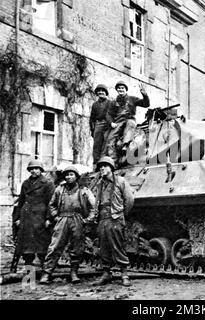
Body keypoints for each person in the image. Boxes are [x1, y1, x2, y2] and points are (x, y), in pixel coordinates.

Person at [39, 166, 96, 284]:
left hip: (77, 219)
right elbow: (52, 205)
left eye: (71, 174)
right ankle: (47, 273)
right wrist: (55, 217)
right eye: (67, 175)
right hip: (62, 219)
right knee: (55, 246)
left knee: (77, 247)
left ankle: (74, 272)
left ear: (76, 177)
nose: (68, 177)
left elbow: (93, 207)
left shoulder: (84, 190)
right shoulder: (60, 189)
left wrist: (87, 220)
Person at [94, 156, 134, 286]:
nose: (102, 168)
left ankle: (124, 273)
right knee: (103, 247)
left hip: (115, 217)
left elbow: (129, 200)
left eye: (104, 166)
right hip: (102, 217)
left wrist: (120, 214)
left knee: (118, 245)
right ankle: (106, 273)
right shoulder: (100, 183)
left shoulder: (120, 181)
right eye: (100, 166)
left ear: (111, 168)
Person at [12, 159, 55, 272]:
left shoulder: (48, 183)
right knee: (27, 247)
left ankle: (44, 272)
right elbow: (21, 202)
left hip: (41, 217)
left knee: (42, 245)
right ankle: (29, 273)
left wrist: (49, 218)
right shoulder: (26, 184)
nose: (34, 171)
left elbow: (51, 203)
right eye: (31, 169)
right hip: (27, 218)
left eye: (36, 169)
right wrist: (18, 218)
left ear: (41, 170)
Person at [103, 80, 150, 166]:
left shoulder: (132, 99)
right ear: (117, 90)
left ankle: (126, 145)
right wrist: (111, 123)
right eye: (119, 88)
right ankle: (113, 162)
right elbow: (108, 114)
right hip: (118, 122)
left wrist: (144, 95)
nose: (121, 90)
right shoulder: (114, 102)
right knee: (110, 140)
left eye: (122, 88)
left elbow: (146, 104)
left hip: (129, 119)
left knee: (131, 125)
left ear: (126, 89)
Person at [89, 84, 112, 170]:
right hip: (98, 124)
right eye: (99, 91)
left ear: (106, 92)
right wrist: (92, 130)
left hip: (108, 124)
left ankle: (105, 164)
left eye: (103, 91)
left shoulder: (110, 103)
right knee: (96, 146)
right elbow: (92, 118)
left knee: (106, 144)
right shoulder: (95, 104)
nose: (101, 92)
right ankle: (95, 165)